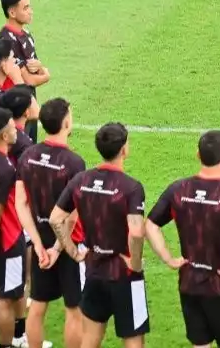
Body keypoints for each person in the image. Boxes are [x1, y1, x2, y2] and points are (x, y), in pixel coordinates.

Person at [145, 130, 220, 348]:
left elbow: (150, 225)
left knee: (200, 343)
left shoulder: (178, 189)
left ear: (197, 154)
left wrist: (169, 259)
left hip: (189, 284)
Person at [49, 123, 148, 348]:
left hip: (94, 272)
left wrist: (73, 251)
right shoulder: (132, 187)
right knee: (133, 340)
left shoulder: (80, 180)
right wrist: (135, 263)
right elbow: (135, 231)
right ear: (124, 149)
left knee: (91, 339)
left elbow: (56, 218)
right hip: (125, 276)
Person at [14, 98, 85, 348]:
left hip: (40, 242)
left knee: (38, 306)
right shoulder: (75, 163)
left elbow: (20, 203)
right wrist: (57, 247)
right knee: (74, 309)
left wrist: (39, 244)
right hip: (66, 244)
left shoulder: (27, 155)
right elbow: (73, 215)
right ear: (66, 122)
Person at [1, 85, 46, 348]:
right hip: (14, 221)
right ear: (27, 109)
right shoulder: (24, 145)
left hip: (6, 217)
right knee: (12, 289)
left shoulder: (3, 139)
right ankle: (17, 336)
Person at [0, 107, 23, 348]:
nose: (16, 130)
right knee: (6, 299)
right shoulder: (5, 168)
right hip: (6, 241)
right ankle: (6, 346)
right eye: (12, 126)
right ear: (3, 135)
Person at [0, 0, 50, 142]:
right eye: (25, 8)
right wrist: (46, 75)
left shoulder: (26, 35)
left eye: (30, 6)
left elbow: (36, 70)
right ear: (12, 13)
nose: (31, 12)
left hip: (29, 103)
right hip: (17, 109)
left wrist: (40, 68)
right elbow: (29, 79)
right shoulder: (6, 41)